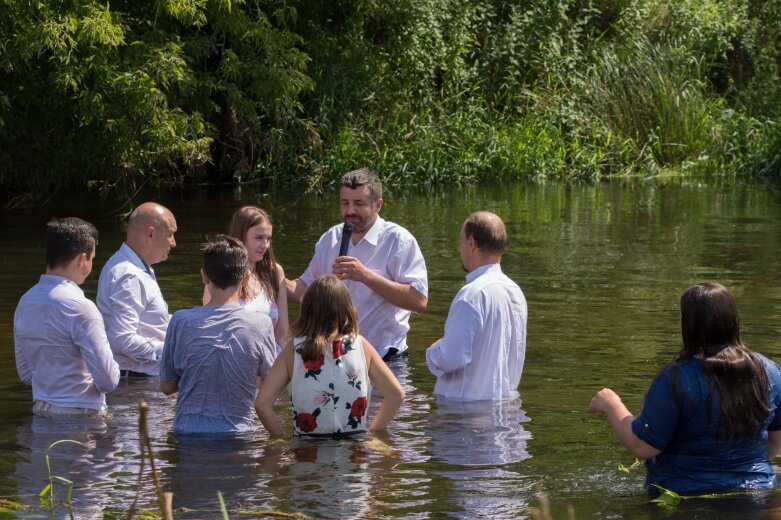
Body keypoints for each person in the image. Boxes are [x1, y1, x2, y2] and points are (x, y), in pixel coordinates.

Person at [589, 283, 781, 496]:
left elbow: (642, 447)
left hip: (685, 498)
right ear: (733, 322)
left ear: (687, 326)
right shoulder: (770, 372)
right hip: (758, 496)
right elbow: (775, 442)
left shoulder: (675, 379)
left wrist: (610, 402)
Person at [286, 168, 428, 360]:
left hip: (385, 357)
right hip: (337, 357)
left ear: (378, 205)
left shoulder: (399, 241)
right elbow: (305, 289)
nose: (349, 211)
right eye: (345, 203)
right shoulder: (331, 238)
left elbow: (418, 302)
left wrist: (364, 275)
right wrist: (276, 278)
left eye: (358, 203)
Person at [256, 275, 405, 437]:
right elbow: (396, 395)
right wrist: (374, 432)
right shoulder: (362, 346)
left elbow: (262, 404)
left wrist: (280, 438)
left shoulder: (294, 349)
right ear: (347, 308)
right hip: (354, 450)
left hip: (307, 451)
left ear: (307, 310)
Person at [159, 235, 277, 434]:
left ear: (204, 276)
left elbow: (167, 386)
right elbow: (271, 384)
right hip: (238, 435)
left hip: (187, 434)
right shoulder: (261, 324)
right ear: (245, 278)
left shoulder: (180, 321)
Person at [14, 217, 119, 416]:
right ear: (81, 259)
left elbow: (26, 374)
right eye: (92, 259)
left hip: (41, 412)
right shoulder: (82, 307)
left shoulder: (24, 303)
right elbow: (109, 381)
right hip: (82, 417)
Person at [426, 211, 528, 401]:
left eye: (461, 242)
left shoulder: (471, 295)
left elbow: (450, 358)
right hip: (504, 408)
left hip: (464, 415)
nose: (460, 248)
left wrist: (433, 350)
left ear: (471, 242)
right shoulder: (516, 292)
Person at [97, 202, 177, 376]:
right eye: (171, 234)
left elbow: (148, 321)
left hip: (141, 383)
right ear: (150, 234)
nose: (174, 243)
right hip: (136, 387)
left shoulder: (135, 267)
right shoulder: (129, 275)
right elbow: (121, 340)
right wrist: (175, 351)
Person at [203, 206, 288, 352]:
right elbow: (212, 327)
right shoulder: (221, 272)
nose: (265, 245)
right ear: (241, 236)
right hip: (234, 357)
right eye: (259, 238)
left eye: (268, 239)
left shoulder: (274, 272)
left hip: (270, 359)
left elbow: (282, 335)